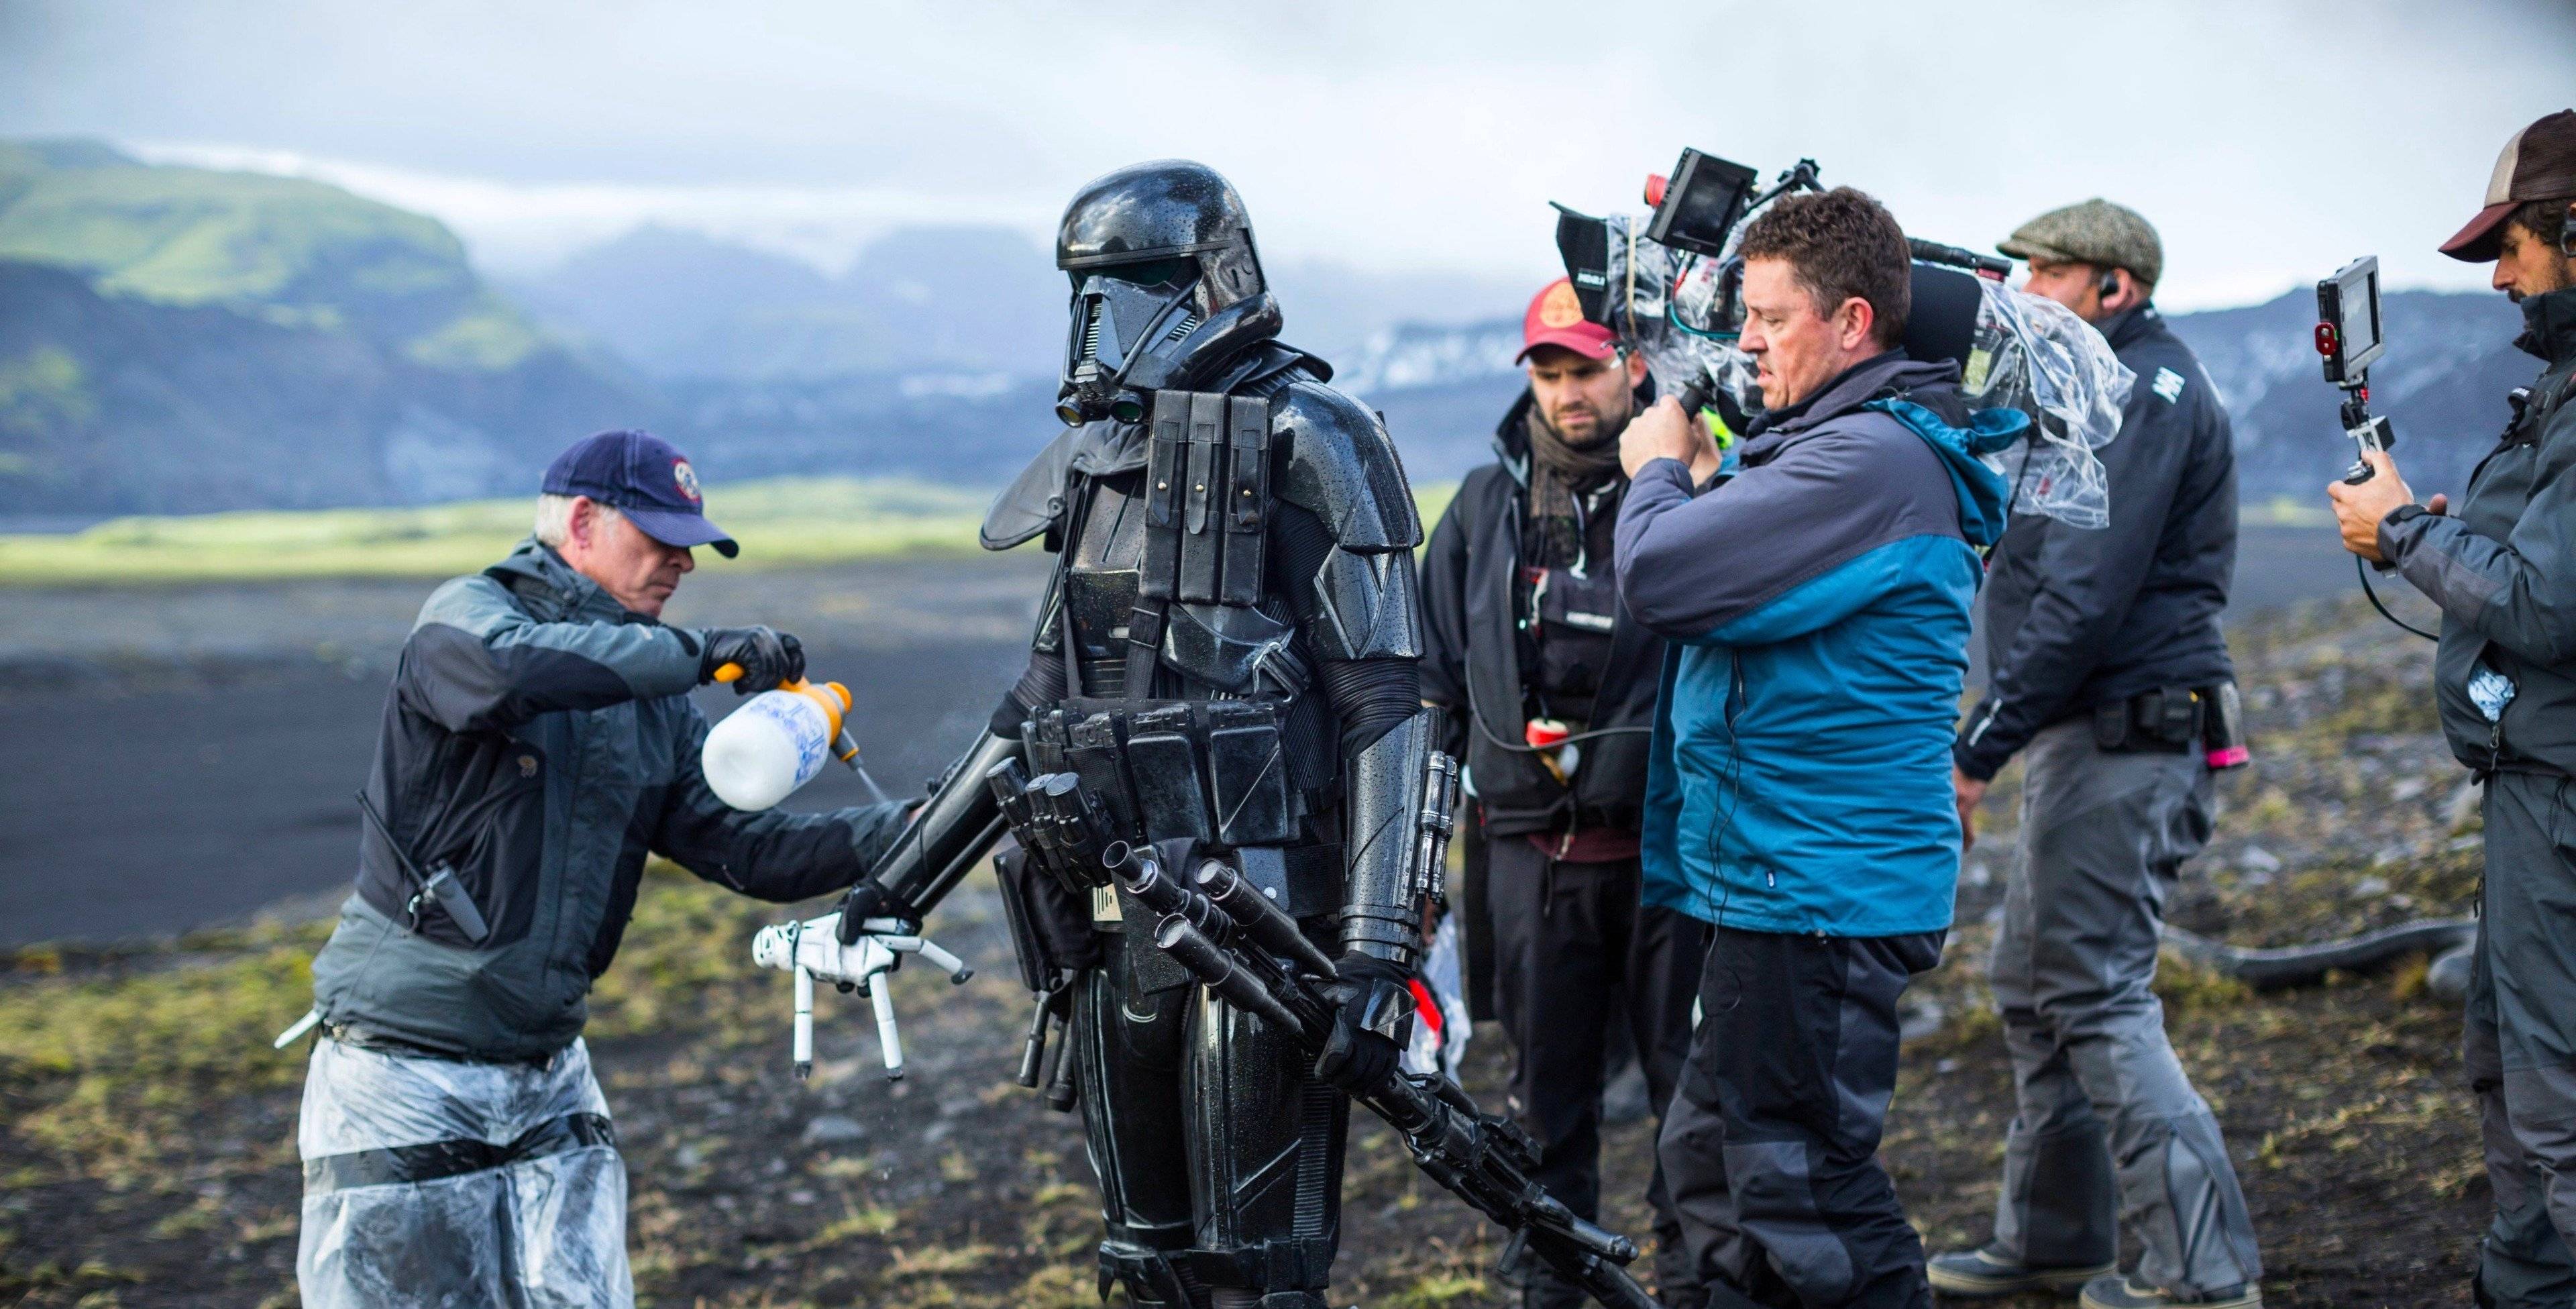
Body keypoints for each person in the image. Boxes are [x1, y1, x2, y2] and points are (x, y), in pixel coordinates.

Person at [815, 159, 1446, 1308]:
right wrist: (894, 887)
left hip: (1268, 919)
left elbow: (1391, 703)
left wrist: (1378, 950)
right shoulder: (1095, 465)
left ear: (1213, 279)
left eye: (1140, 285)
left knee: (1258, 1272)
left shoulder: (1317, 434)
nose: (1104, 324)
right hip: (1117, 926)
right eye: (1090, 294)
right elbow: (1035, 713)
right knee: (1144, 1267)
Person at [290, 429, 909, 1309]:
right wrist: (706, 656)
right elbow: (510, 672)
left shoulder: (650, 698)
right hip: (404, 1070)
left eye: (691, 546)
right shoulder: (464, 622)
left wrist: (926, 826)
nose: (681, 565)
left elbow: (745, 848)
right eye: (659, 537)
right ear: (580, 522)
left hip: (549, 1069)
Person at [1615, 186, 2019, 1308]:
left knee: (1802, 1191)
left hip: (1819, 896)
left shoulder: (1870, 465)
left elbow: (1662, 576)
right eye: (1743, 314)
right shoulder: (1833, 450)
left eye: (1770, 317)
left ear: (1851, 322)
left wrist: (1654, 464)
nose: (1744, 340)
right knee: (1714, 1170)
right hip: (1778, 883)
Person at [1925, 199, 2262, 1309]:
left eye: (2045, 274)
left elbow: (2083, 597)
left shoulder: (2142, 395)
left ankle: (2203, 1277)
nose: (2018, 292)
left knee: (2095, 990)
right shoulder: (2085, 390)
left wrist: (1978, 750)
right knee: (2032, 982)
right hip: (2091, 736)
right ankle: (2058, 1235)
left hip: (2129, 732)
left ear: (2112, 289)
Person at [1419, 277, 1714, 1308]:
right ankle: (1552, 1285)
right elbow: (1431, 676)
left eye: (1583, 368)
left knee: (1692, 1093)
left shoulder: (1695, 491)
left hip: (1670, 852)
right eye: (1547, 372)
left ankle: (1694, 1283)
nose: (1565, 393)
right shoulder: (1481, 507)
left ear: (1633, 366)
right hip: (1528, 855)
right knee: (1544, 1104)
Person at [2326, 108, 2576, 1309]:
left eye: (2518, 246)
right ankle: (2523, 1284)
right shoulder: (2566, 389)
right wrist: (2426, 541)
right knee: (2510, 1064)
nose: (2505, 277)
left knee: (2558, 1085)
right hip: (2535, 797)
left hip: (2563, 805)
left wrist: (2409, 533)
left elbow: (2544, 607)